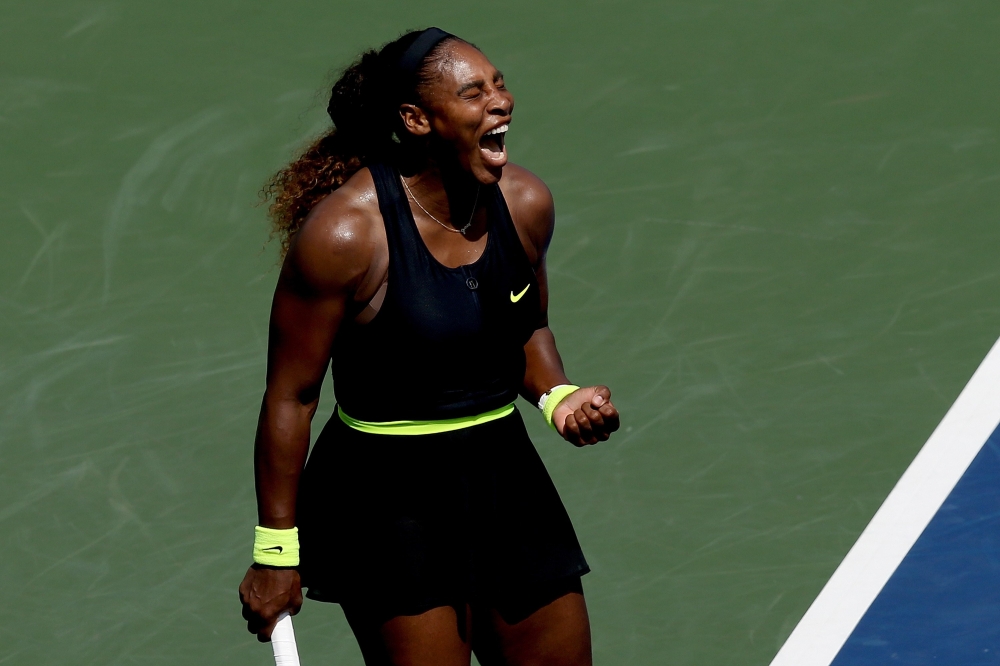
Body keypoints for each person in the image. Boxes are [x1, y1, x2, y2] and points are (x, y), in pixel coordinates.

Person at [238, 27, 620, 666]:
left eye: (498, 84)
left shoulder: (523, 203)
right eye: (474, 92)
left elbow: (524, 323)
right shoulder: (345, 235)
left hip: (506, 481)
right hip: (389, 503)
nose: (501, 102)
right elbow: (291, 396)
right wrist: (276, 552)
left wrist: (557, 395)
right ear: (416, 119)